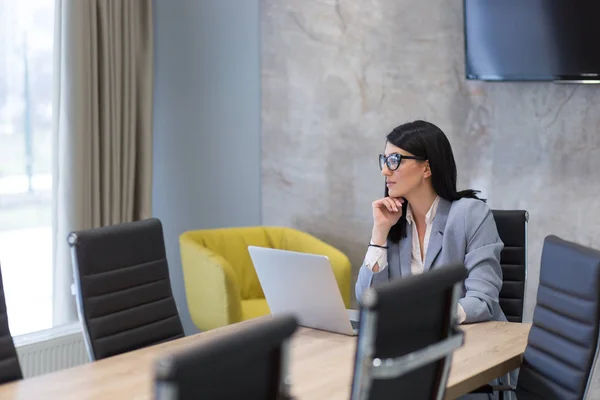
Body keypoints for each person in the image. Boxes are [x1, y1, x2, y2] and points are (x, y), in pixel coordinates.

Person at [355, 120, 506, 324]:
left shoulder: (471, 214)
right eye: (385, 160)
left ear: (426, 168)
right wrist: (379, 233)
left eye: (395, 160)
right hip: (411, 341)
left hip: (473, 338)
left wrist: (429, 318)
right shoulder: (394, 219)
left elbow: (483, 300)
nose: (385, 171)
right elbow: (368, 300)